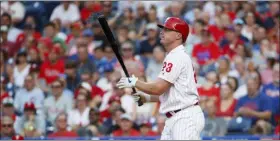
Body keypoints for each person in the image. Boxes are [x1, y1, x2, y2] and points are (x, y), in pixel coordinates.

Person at [116, 17, 205, 140]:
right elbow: (168, 93)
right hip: (176, 116)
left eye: (168, 30)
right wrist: (145, 98)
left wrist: (133, 81)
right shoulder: (173, 56)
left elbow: (158, 88)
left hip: (185, 117)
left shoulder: (177, 57)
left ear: (178, 36)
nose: (162, 32)